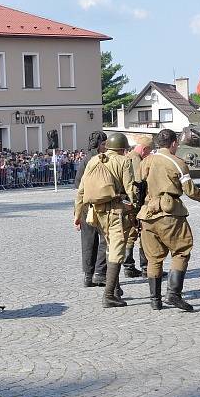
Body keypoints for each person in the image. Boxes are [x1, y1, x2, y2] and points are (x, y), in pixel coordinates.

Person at [137, 129, 200, 311]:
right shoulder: (177, 162)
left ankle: (155, 300)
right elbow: (190, 190)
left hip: (148, 213)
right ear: (174, 143)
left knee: (153, 258)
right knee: (181, 251)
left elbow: (138, 184)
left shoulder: (146, 161)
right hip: (170, 213)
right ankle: (173, 294)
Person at [74, 132, 136, 308]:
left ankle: (115, 289)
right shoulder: (123, 161)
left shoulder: (94, 160)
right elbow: (130, 189)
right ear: (123, 149)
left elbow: (81, 191)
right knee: (117, 250)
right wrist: (135, 209)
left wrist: (77, 215)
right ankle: (109, 294)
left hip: (95, 213)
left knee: (109, 247)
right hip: (115, 211)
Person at [74, 131, 109, 288]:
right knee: (105, 240)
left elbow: (77, 184)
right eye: (104, 144)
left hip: (85, 205)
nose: (106, 147)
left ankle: (88, 276)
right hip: (99, 205)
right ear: (99, 144)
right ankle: (100, 273)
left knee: (88, 242)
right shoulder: (101, 159)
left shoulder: (85, 159)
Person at [124, 136, 153, 278]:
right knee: (142, 233)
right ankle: (145, 267)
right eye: (148, 152)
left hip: (128, 203)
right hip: (136, 203)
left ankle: (129, 266)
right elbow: (138, 183)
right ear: (144, 149)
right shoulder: (136, 159)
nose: (148, 155)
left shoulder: (127, 156)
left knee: (130, 234)